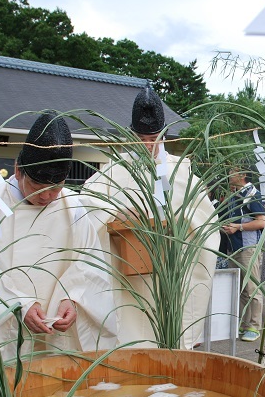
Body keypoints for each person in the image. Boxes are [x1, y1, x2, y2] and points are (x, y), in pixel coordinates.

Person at [0, 112, 116, 359]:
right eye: (37, 187)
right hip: (5, 329)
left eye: (55, 188)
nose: (46, 197)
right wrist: (19, 305)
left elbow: (90, 264)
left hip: (58, 333)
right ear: (18, 170)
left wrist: (73, 299)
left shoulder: (73, 208)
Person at [82, 86, 218, 350]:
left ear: (164, 134)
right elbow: (86, 211)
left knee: (168, 345)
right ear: (130, 134)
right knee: (130, 345)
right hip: (126, 283)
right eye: (141, 137)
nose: (147, 144)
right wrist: (116, 215)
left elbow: (208, 227)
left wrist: (177, 220)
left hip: (171, 279)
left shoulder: (182, 172)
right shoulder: (113, 172)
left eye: (153, 137)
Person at [222, 165, 265, 342]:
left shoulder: (252, 194)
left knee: (252, 288)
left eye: (232, 170)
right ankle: (244, 323)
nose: (229, 173)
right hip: (234, 248)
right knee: (241, 289)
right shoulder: (234, 194)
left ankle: (255, 326)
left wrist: (238, 227)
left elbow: (261, 222)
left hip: (248, 248)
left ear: (243, 174)